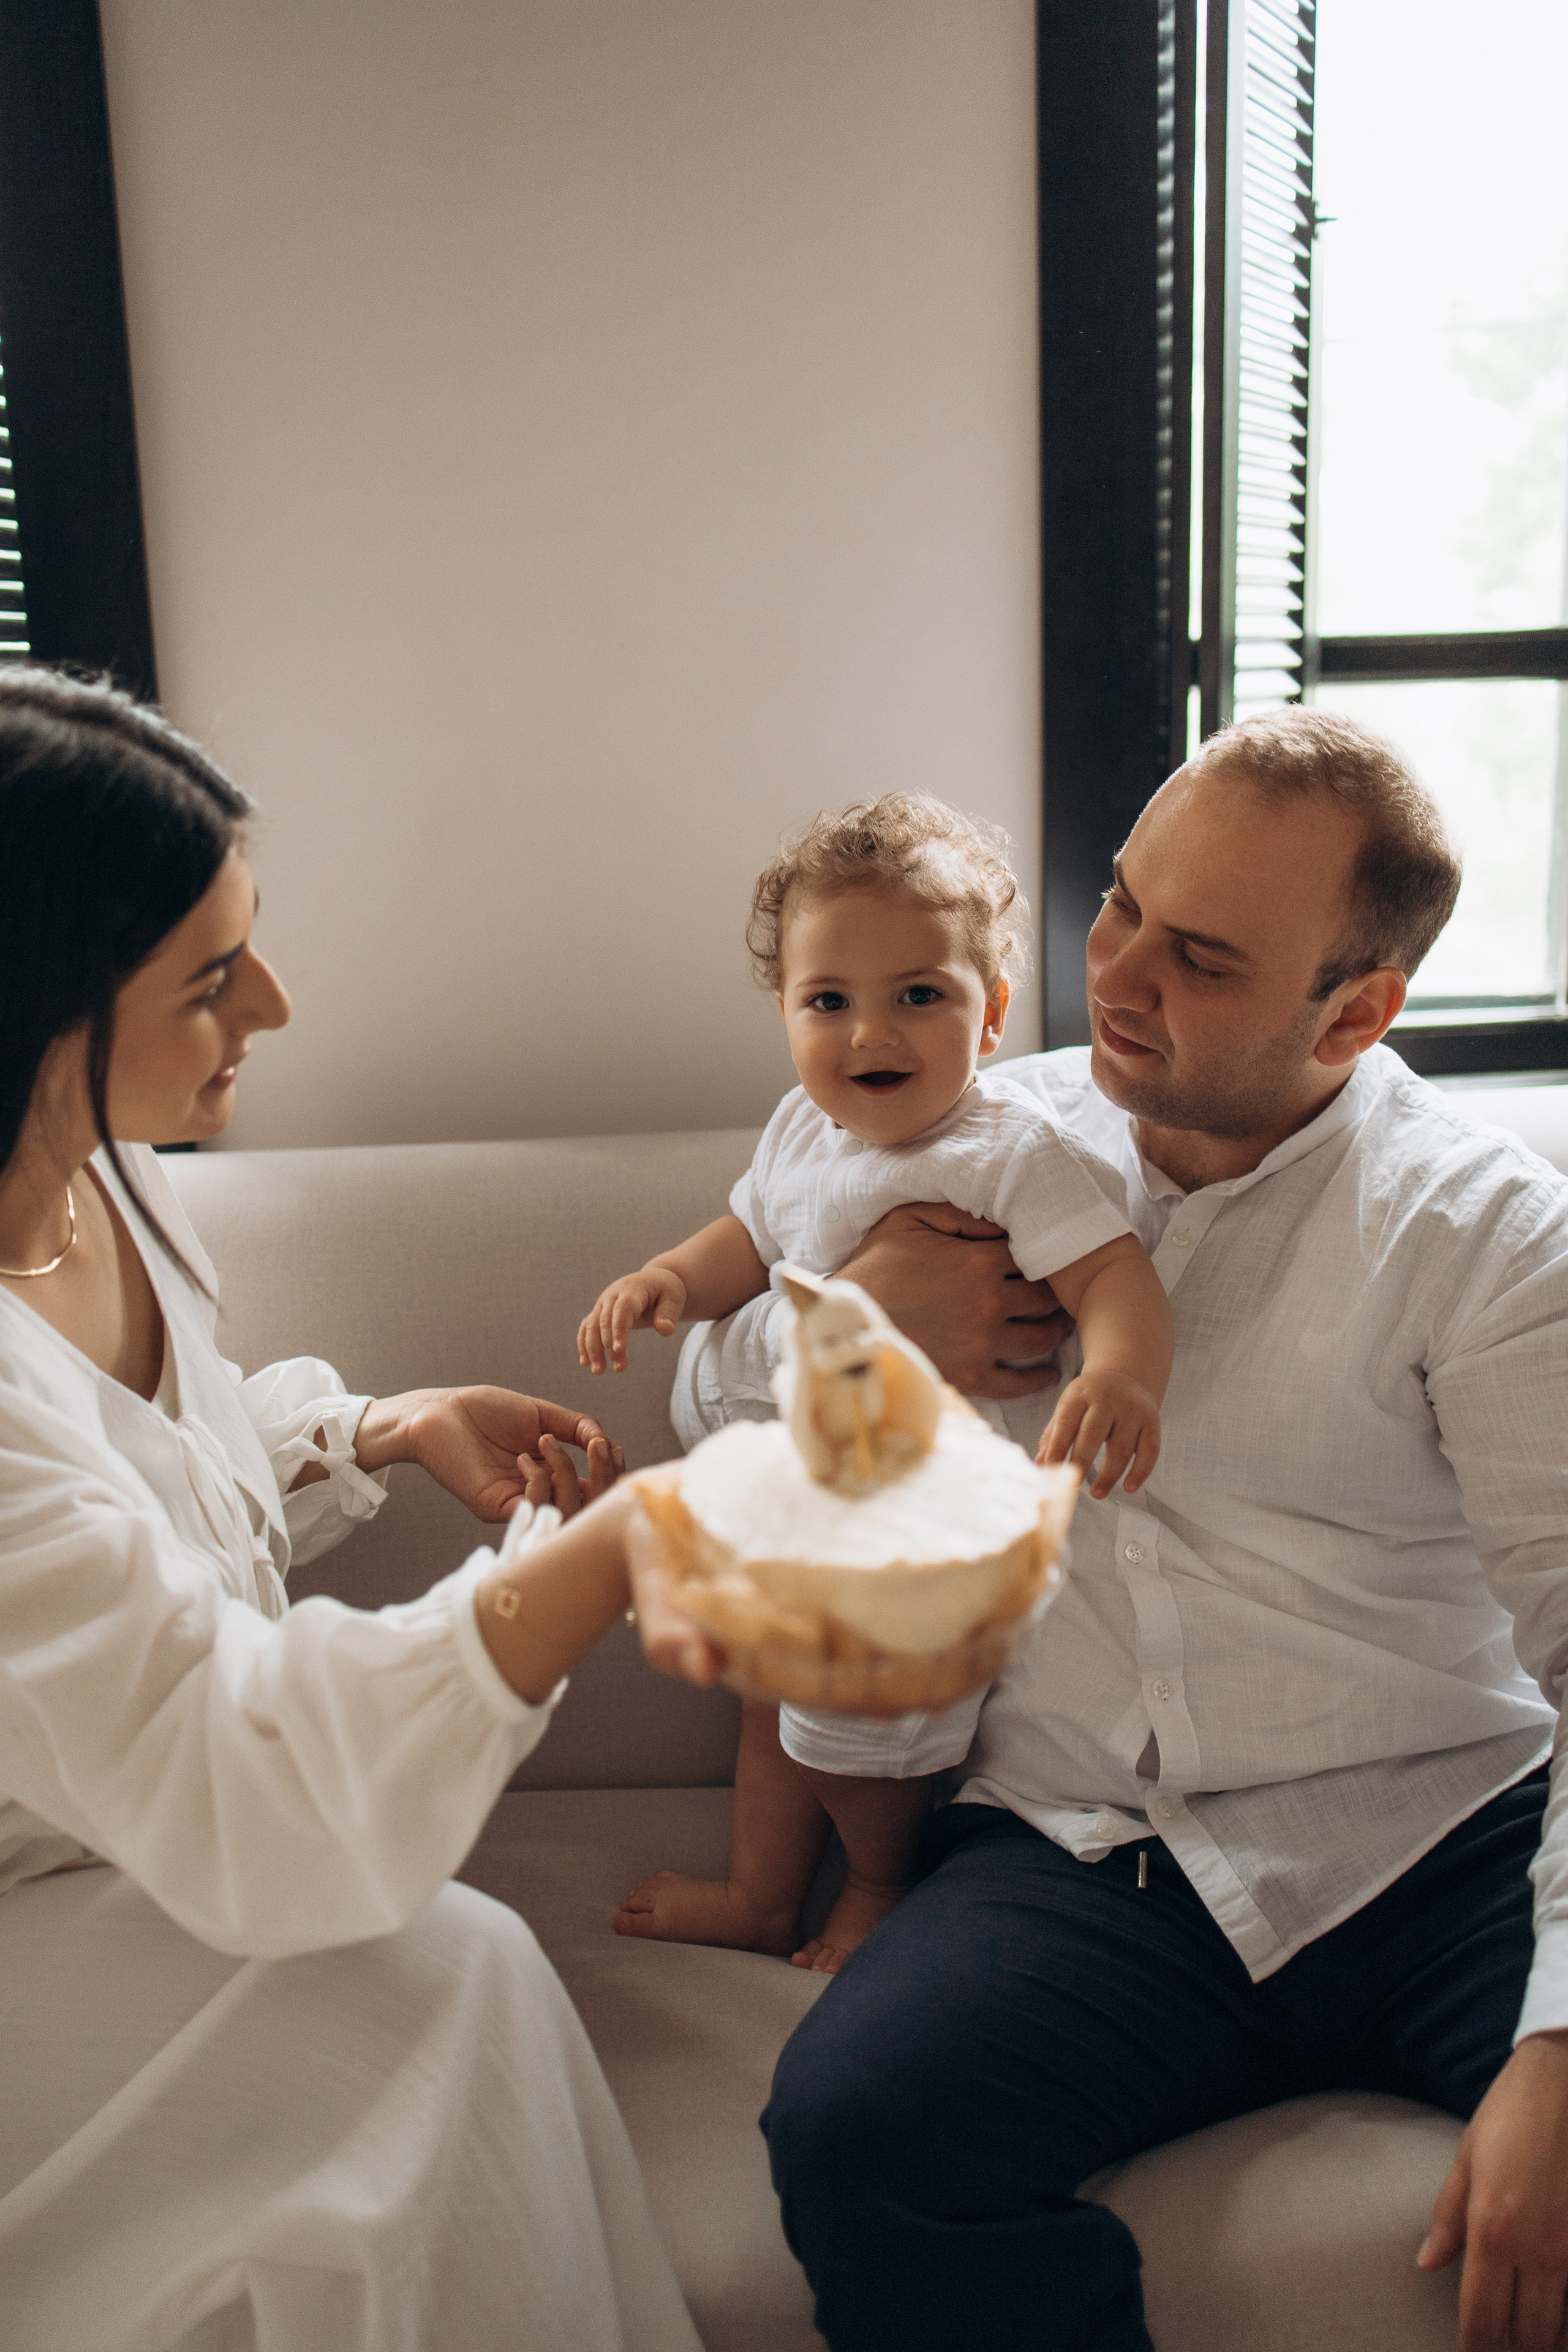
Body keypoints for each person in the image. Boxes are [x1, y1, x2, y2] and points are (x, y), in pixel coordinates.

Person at [668, 709, 1568, 2352]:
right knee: (858, 2137)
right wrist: (845, 1330)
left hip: (1444, 1843)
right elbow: (700, 1421)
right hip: (1085, 1854)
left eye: (1203, 958)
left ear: (1357, 1011)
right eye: (1121, 906)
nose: (1123, 975)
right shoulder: (957, 1136)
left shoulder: (1487, 1235)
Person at [0, 668, 701, 2352]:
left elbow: (130, 1481)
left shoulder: (112, 1178)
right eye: (217, 976)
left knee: (449, 1985)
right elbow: (236, 1770)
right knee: (424, 1990)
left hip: (112, 1832)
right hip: (39, 1900)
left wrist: (372, 1430)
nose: (283, 1008)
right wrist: (611, 1558)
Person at [579, 796, 1172, 1970]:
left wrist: (1123, 1376)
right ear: (787, 1014)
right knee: (765, 1696)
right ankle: (761, 1894)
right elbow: (744, 1243)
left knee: (856, 1731)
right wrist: (664, 1282)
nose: (870, 1036)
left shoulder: (1006, 1152)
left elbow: (1114, 1274)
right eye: (828, 1002)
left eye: (919, 995)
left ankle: (884, 1884)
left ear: (991, 1012)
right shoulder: (803, 1130)